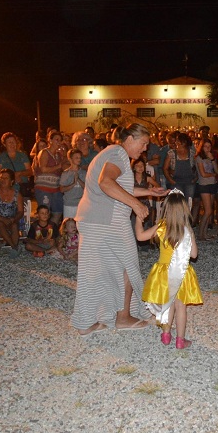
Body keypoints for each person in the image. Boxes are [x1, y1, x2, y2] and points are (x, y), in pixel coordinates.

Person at [71, 123, 168, 337]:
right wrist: (135, 204)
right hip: (108, 221)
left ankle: (86, 322)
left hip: (94, 218)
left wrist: (149, 192)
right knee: (128, 266)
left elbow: (117, 187)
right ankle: (123, 317)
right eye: (143, 144)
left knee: (94, 271)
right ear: (130, 139)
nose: (145, 150)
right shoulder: (119, 154)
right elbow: (105, 182)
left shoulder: (111, 153)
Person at [137, 190, 202, 349]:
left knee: (168, 304)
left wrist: (138, 219)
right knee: (181, 307)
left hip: (163, 273)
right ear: (184, 210)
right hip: (180, 274)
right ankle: (180, 340)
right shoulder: (187, 231)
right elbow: (194, 255)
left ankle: (166, 335)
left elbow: (140, 237)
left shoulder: (161, 227)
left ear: (165, 209)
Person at [33, 130, 66, 225]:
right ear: (50, 140)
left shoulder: (59, 155)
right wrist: (58, 166)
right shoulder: (44, 152)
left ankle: (51, 232)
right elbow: (43, 169)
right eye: (56, 140)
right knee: (44, 212)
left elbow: (63, 168)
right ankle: (42, 234)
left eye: (60, 140)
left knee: (58, 211)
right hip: (44, 187)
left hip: (55, 188)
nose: (58, 142)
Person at [195, 138, 218, 241]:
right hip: (204, 185)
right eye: (205, 146)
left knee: (209, 211)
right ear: (201, 147)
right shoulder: (199, 158)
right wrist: (213, 174)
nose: (207, 148)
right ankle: (200, 234)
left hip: (212, 184)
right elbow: (203, 174)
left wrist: (213, 159)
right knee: (208, 210)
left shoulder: (211, 157)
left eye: (209, 146)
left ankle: (204, 234)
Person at [0, 132, 32, 198]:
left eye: (13, 142)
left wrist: (20, 173)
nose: (12, 144)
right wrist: (11, 176)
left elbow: (30, 171)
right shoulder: (1, 157)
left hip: (22, 189)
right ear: (5, 144)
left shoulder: (22, 156)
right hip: (7, 190)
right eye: (9, 142)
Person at [59, 148, 86, 220]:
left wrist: (78, 180)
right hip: (69, 204)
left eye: (80, 158)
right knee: (68, 224)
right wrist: (73, 184)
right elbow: (62, 189)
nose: (79, 159)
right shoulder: (66, 173)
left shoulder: (83, 173)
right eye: (76, 158)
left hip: (80, 204)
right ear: (70, 159)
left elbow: (86, 188)